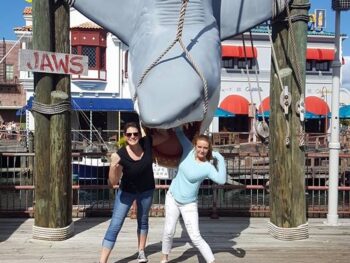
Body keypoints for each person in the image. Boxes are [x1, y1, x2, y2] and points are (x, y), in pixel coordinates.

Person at [99, 122, 169, 263]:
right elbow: (112, 183)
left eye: (135, 133)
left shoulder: (147, 142)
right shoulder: (121, 154)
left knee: (143, 221)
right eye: (129, 134)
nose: (132, 136)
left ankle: (141, 252)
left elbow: (165, 136)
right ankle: (102, 261)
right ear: (125, 136)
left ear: (140, 134)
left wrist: (154, 120)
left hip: (147, 190)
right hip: (127, 192)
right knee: (115, 225)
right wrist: (113, 165)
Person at [161, 127, 226, 263]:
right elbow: (178, 131)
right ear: (195, 146)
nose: (201, 150)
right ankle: (164, 258)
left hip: (189, 204)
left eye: (205, 148)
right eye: (199, 147)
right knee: (169, 231)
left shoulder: (208, 167)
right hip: (172, 197)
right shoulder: (188, 150)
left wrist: (220, 158)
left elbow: (222, 180)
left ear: (209, 150)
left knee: (195, 237)